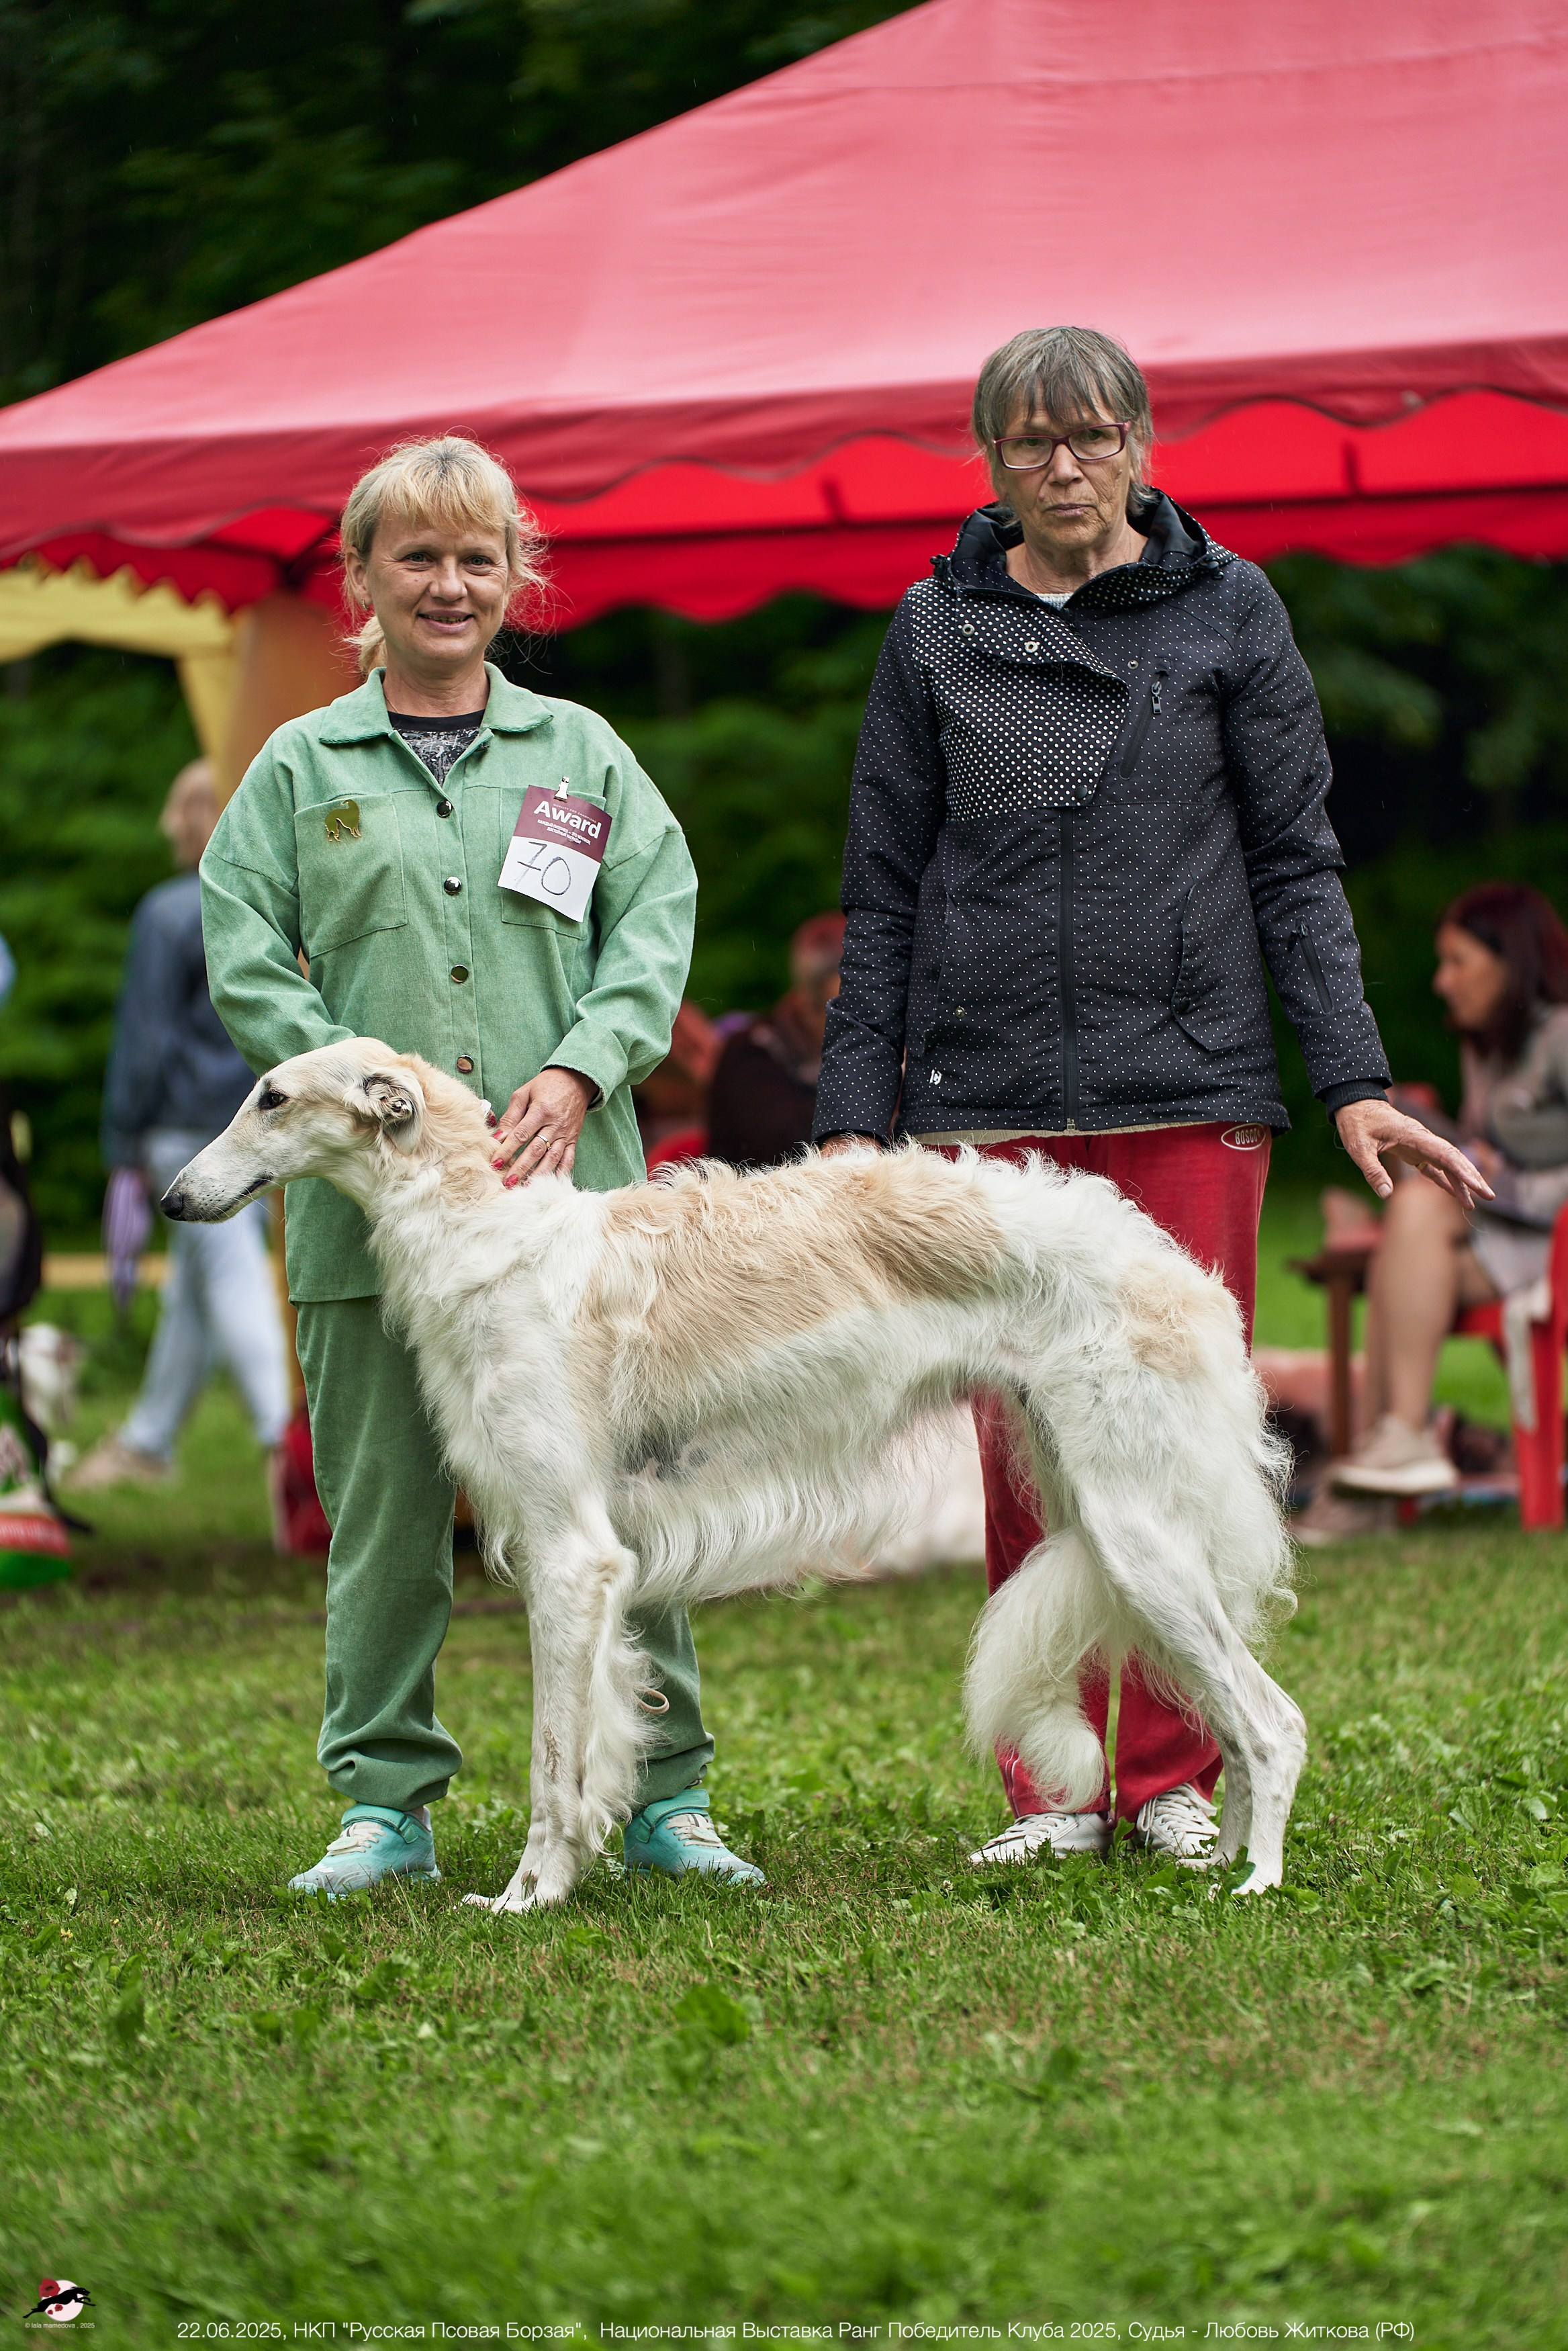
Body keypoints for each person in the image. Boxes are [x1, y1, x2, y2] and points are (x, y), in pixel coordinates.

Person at [813, 324, 1486, 1869]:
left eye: (1092, 435)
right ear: (988, 461)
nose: (1063, 463)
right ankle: (1049, 1788)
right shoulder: (931, 630)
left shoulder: (1227, 611)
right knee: (1022, 1450)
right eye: (1031, 440)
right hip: (977, 1095)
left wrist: (1354, 1080)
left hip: (1185, 1088)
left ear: (1139, 445)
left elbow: (1294, 861)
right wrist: (856, 1115)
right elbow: (886, 884)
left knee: (1170, 1438)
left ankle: (1170, 1776)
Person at [199, 435, 759, 1896]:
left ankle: (666, 1794)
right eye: (418, 558)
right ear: (363, 580)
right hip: (366, 1227)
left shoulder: (582, 755)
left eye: (477, 558)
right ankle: (384, 1801)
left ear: (519, 578)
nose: (449, 584)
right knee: (383, 1510)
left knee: (625, 1495)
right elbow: (244, 946)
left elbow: (656, 919)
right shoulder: (297, 767)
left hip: (573, 1214)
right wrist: (346, 1082)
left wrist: (584, 1063)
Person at [71, 762, 290, 1491]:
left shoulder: (167, 911)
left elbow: (144, 1040)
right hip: (247, 1122)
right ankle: (148, 1438)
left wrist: (122, 1142)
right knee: (193, 1292)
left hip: (180, 1127)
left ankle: (281, 1441)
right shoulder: (261, 907)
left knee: (228, 1279)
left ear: (183, 816)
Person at [1328, 883, 1568, 1504]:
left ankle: (1394, 1446)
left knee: (1416, 1211)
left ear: (1511, 962)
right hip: (1512, 1247)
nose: (1442, 981)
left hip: (1555, 1247)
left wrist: (1507, 1180)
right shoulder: (1487, 1049)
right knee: (1405, 1250)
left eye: (1458, 961)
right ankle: (1380, 1455)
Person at [706, 912, 845, 1169]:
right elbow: (792, 1150)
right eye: (844, 1013)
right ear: (807, 1002)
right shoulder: (751, 1053)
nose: (859, 1028)